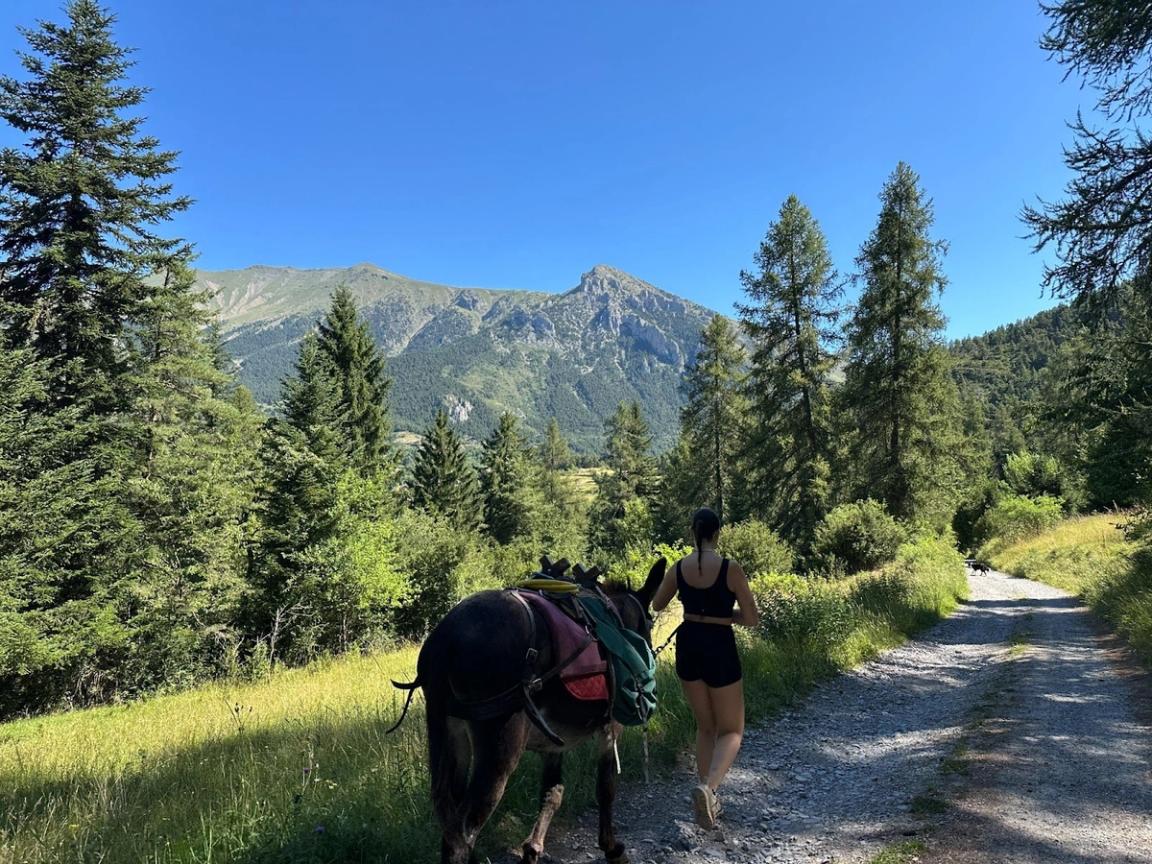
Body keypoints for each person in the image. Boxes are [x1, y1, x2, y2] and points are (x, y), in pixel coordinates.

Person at [650, 507, 760, 830]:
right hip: (719, 647)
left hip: (688, 645)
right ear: (717, 533)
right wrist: (725, 617)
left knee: (706, 726)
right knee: (733, 729)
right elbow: (752, 619)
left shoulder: (679, 568)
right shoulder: (730, 569)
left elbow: (657, 604)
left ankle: (706, 795)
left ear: (692, 533)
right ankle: (708, 789)